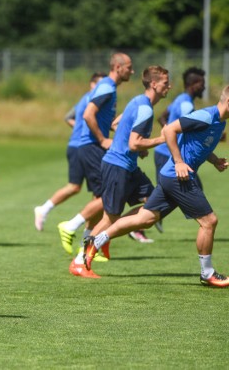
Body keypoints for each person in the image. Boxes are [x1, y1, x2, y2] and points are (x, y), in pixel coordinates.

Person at [84, 83, 229, 287]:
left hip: (170, 177)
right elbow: (170, 129)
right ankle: (207, 273)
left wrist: (214, 160)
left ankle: (96, 241)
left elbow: (199, 145)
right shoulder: (206, 116)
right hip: (178, 177)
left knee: (145, 218)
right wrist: (179, 162)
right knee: (209, 221)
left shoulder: (220, 123)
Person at [73, 66, 171, 278]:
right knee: (110, 217)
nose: (169, 87)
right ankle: (80, 261)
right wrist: (160, 140)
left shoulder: (138, 101)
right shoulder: (145, 109)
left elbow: (117, 123)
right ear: (154, 84)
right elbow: (134, 143)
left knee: (153, 203)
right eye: (165, 83)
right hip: (117, 166)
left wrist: (135, 143)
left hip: (128, 167)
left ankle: (107, 236)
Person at [55, 53, 134, 276]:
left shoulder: (109, 87)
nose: (132, 71)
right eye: (129, 67)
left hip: (90, 146)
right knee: (104, 198)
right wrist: (102, 140)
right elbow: (89, 114)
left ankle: (89, 246)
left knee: (102, 198)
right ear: (118, 67)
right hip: (91, 146)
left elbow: (97, 118)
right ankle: (70, 226)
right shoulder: (107, 87)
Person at [33, 72, 105, 231]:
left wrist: (79, 129)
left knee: (79, 188)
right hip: (85, 146)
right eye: (99, 84)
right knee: (98, 194)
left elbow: (68, 117)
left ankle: (44, 209)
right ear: (92, 84)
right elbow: (87, 118)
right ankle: (87, 238)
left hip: (76, 145)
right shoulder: (94, 99)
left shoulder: (84, 98)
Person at [152, 67, 206, 234]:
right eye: (202, 84)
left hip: (165, 153)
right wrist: (172, 137)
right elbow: (190, 126)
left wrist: (170, 134)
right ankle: (145, 221)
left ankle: (148, 219)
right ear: (194, 84)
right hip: (168, 155)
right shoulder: (185, 104)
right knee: (178, 193)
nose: (204, 87)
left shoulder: (180, 99)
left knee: (182, 191)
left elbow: (161, 117)